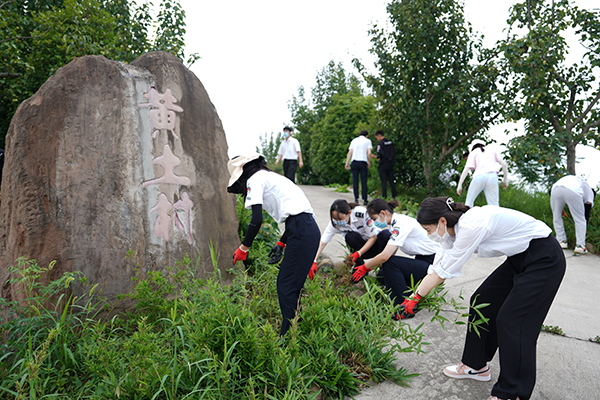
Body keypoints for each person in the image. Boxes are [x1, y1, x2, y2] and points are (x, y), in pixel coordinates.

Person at [404, 197, 565, 400]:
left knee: (513, 322)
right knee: (483, 301)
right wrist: (413, 297)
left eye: (428, 229)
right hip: (519, 257)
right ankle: (475, 365)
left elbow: (443, 272)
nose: (428, 235)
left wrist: (415, 298)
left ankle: (511, 393)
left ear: (442, 221)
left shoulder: (471, 224)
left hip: (544, 258)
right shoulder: (450, 233)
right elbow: (438, 265)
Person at [227, 153, 320, 336]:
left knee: (286, 286)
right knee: (292, 285)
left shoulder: (255, 179)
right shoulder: (273, 178)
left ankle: (287, 337)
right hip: (303, 229)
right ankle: (295, 330)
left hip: (301, 231)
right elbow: (297, 215)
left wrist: (243, 248)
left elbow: (256, 219)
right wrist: (281, 243)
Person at [349, 198, 440, 320]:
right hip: (424, 261)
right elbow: (392, 249)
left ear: (383, 213)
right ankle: (408, 292)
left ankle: (404, 307)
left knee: (390, 263)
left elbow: (385, 256)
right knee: (382, 276)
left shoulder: (400, 224)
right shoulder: (397, 222)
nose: (374, 223)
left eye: (375, 219)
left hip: (433, 265)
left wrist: (365, 267)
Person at [314, 199, 391, 273]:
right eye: (335, 218)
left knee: (386, 234)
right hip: (359, 250)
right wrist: (314, 261)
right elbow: (323, 242)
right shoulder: (334, 224)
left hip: (375, 245)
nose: (338, 221)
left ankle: (383, 266)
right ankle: (359, 266)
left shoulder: (361, 214)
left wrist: (358, 253)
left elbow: (373, 237)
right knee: (350, 236)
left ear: (349, 213)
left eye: (341, 218)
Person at [550, 175, 595, 254]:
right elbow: (587, 208)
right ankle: (580, 246)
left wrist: (560, 207)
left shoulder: (577, 180)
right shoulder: (589, 190)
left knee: (556, 216)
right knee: (580, 219)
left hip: (555, 189)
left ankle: (561, 241)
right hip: (573, 190)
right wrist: (585, 222)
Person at [457, 139, 508, 207]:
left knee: (469, 202)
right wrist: (505, 180)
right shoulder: (492, 149)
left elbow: (466, 170)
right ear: (483, 144)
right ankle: (495, 217)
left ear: (473, 147)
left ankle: (467, 216)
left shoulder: (473, 152)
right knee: (494, 205)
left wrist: (459, 185)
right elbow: (504, 165)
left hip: (479, 177)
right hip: (493, 176)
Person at [345, 130, 372, 205]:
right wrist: (368, 162)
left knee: (355, 181)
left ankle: (356, 199)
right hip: (363, 162)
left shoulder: (354, 140)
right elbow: (369, 153)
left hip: (354, 162)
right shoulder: (368, 141)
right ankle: (365, 199)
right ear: (366, 135)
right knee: (364, 181)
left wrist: (347, 162)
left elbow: (350, 152)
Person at [372, 130, 396, 199]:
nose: (377, 139)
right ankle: (394, 196)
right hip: (390, 163)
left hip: (383, 164)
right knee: (391, 180)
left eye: (377, 137)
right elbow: (393, 153)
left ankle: (384, 196)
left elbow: (381, 153)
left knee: (383, 181)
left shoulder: (380, 144)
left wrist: (377, 157)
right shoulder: (390, 143)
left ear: (379, 135)